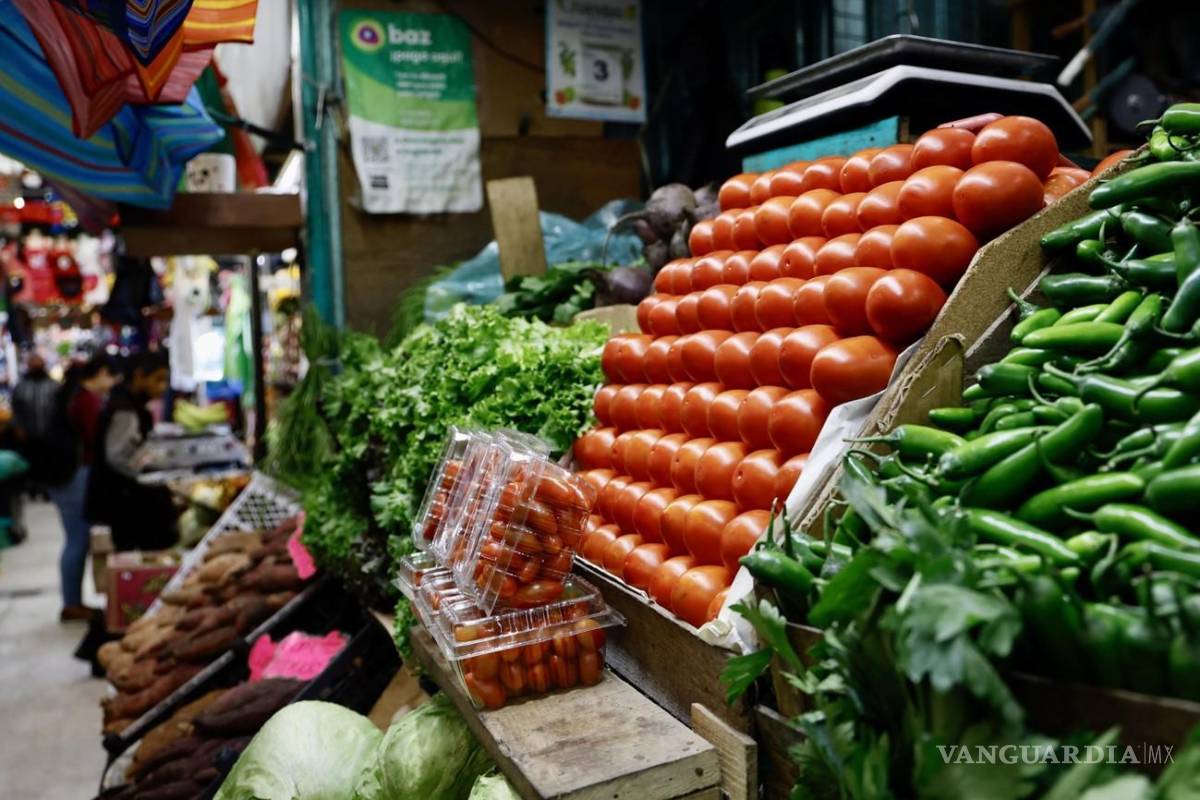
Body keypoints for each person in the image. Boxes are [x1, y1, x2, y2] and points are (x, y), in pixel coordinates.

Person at [85, 351, 179, 552]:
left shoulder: (126, 403)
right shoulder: (124, 409)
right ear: (139, 376)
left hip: (125, 502)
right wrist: (151, 474)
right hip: (126, 504)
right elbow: (118, 455)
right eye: (158, 379)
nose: (162, 387)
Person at [48, 355, 118, 622]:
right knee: (76, 540)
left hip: (65, 475)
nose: (111, 384)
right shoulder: (85, 400)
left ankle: (73, 601)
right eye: (110, 377)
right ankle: (72, 603)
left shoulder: (72, 395)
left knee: (75, 540)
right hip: (73, 476)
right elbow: (96, 439)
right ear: (100, 373)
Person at [11, 353, 59, 490]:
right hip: (28, 434)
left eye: (39, 364)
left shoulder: (54, 386)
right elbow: (16, 410)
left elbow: (60, 411)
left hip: (49, 434)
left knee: (47, 461)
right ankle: (30, 485)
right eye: (33, 364)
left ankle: (46, 485)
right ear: (29, 367)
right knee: (29, 462)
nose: (36, 367)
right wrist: (18, 428)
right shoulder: (20, 387)